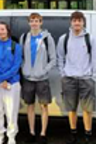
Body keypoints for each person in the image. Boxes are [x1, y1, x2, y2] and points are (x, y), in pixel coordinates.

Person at [57, 11, 96, 144]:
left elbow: (95, 58)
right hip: (69, 78)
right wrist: (63, 73)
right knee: (71, 108)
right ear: (71, 22)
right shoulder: (64, 39)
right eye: (75, 20)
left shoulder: (90, 39)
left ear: (83, 22)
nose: (77, 23)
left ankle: (88, 135)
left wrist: (93, 75)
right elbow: (60, 57)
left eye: (79, 20)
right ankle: (73, 134)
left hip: (86, 79)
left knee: (87, 109)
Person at [19, 13, 56, 144]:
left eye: (36, 21)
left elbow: (53, 59)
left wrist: (43, 71)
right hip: (28, 78)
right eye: (32, 21)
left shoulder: (47, 38)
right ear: (29, 23)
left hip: (42, 78)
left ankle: (43, 134)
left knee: (44, 106)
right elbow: (21, 57)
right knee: (29, 106)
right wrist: (24, 69)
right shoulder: (24, 38)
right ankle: (31, 132)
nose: (34, 23)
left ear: (41, 22)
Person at [0, 21, 22, 144]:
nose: (1, 32)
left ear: (7, 30)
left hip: (12, 83)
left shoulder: (15, 46)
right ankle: (0, 134)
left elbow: (16, 65)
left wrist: (5, 78)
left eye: (3, 29)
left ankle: (11, 136)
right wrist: (0, 79)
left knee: (11, 110)